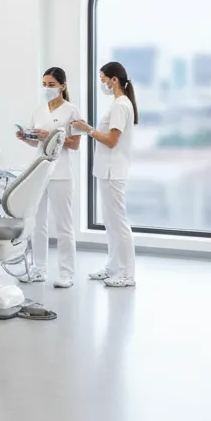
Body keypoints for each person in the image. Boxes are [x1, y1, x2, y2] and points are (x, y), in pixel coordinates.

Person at [71, 61, 138, 288]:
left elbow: (111, 141)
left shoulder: (120, 105)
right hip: (107, 171)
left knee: (119, 223)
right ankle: (113, 266)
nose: (102, 84)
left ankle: (127, 274)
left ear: (114, 80)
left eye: (103, 80)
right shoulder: (118, 104)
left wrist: (87, 129)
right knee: (110, 223)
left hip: (114, 171)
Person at [16, 67, 81, 288]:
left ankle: (66, 273)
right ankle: (39, 269)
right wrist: (26, 137)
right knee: (37, 223)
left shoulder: (72, 111)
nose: (47, 88)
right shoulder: (39, 110)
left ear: (62, 86)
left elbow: (75, 144)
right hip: (39, 172)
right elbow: (37, 142)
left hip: (61, 173)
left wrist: (52, 136)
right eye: (44, 84)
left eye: (51, 85)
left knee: (63, 224)